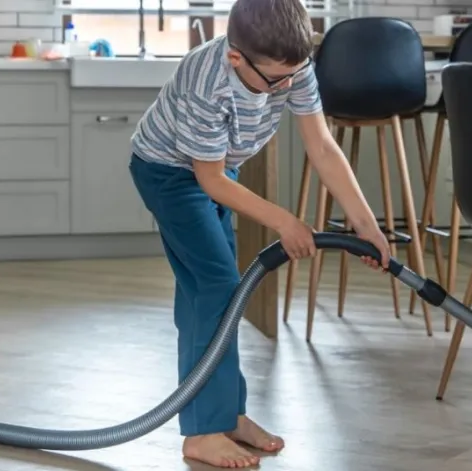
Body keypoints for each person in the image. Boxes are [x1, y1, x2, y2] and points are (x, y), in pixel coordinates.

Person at [128, 0, 391, 467]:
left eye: (294, 75)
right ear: (236, 59)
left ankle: (226, 414)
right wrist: (285, 221)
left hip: (216, 171)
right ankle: (202, 433)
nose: (286, 87)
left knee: (209, 295)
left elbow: (322, 147)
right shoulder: (207, 82)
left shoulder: (289, 63)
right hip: (169, 174)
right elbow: (206, 180)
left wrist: (367, 227)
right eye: (275, 81)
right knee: (217, 288)